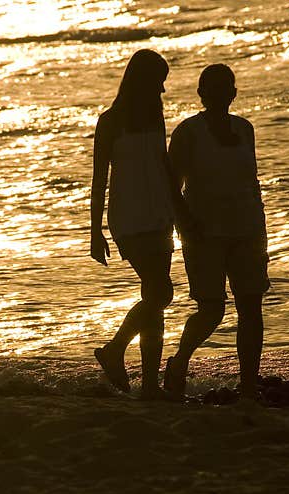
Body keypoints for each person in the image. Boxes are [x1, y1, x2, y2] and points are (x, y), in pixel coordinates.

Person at [163, 64, 270, 399]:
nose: (221, 94)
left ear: (234, 93)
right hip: (204, 234)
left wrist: (260, 220)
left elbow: (251, 180)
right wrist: (186, 226)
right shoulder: (187, 133)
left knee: (251, 308)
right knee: (212, 310)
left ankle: (249, 386)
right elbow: (171, 187)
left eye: (227, 88)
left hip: (248, 229)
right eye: (213, 88)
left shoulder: (245, 129)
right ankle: (179, 363)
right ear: (201, 94)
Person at [90, 49, 189, 399]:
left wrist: (180, 213)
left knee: (155, 296)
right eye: (159, 82)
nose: (163, 91)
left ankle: (149, 386)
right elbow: (99, 178)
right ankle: (115, 349)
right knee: (162, 293)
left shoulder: (154, 117)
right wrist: (94, 231)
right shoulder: (110, 121)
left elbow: (163, 168)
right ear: (143, 80)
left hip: (159, 216)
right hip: (128, 219)